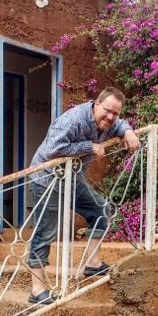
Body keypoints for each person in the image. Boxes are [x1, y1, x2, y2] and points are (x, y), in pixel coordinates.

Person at [26, 87, 141, 304]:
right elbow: (53, 149)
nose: (110, 117)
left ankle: (93, 264)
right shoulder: (73, 119)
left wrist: (128, 131)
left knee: (100, 209)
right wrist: (89, 146)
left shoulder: (109, 120)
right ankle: (37, 289)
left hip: (73, 180)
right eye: (107, 111)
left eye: (115, 113)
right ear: (96, 103)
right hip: (48, 179)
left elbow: (120, 124)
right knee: (46, 231)